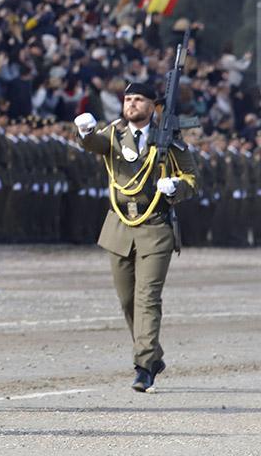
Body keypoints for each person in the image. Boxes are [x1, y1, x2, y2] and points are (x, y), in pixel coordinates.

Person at [74, 82, 198, 392]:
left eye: (138, 99)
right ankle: (153, 354)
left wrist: (176, 187)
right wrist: (86, 133)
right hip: (119, 224)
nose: (131, 104)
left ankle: (143, 366)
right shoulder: (114, 133)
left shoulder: (168, 137)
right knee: (127, 299)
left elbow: (191, 179)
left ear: (152, 105)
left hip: (155, 224)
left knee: (147, 297)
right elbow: (96, 146)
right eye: (128, 99)